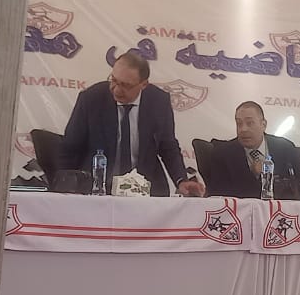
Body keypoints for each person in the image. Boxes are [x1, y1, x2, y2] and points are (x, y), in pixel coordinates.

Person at [61, 52, 204, 196]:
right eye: (114, 80)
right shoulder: (91, 99)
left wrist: (181, 180)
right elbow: (70, 148)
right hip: (97, 188)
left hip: (144, 189)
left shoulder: (159, 102)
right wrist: (65, 189)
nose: (117, 90)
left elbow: (168, 146)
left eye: (126, 85)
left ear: (143, 84)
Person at [207, 101, 300, 199]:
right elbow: (218, 196)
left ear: (263, 125)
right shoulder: (222, 154)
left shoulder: (285, 148)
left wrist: (267, 176)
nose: (243, 129)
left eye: (250, 123)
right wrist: (254, 175)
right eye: (239, 124)